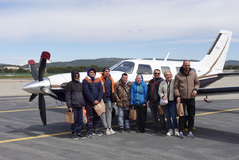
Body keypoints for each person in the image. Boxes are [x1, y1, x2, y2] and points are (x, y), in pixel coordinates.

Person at [174, 60, 200, 139]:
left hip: (191, 98)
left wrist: (195, 89)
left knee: (191, 115)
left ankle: (190, 131)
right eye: (185, 65)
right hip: (182, 99)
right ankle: (181, 131)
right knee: (181, 115)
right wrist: (178, 95)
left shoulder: (193, 74)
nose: (187, 67)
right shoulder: (178, 75)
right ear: (183, 65)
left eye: (188, 65)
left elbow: (197, 83)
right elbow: (175, 87)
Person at [83, 67, 103, 138]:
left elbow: (101, 90)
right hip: (89, 102)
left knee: (97, 116)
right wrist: (93, 100)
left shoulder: (98, 80)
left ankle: (96, 129)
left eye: (93, 72)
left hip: (97, 102)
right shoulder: (85, 80)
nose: (92, 73)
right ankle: (89, 131)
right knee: (89, 116)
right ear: (88, 73)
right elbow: (86, 92)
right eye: (91, 72)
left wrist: (98, 99)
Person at [65, 71, 86, 140]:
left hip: (80, 105)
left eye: (78, 76)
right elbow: (67, 96)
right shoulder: (69, 84)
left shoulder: (80, 84)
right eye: (75, 76)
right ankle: (74, 133)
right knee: (74, 120)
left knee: (80, 120)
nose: (77, 77)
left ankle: (79, 132)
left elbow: (82, 95)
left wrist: (83, 104)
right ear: (73, 76)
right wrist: (69, 106)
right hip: (73, 105)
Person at [159, 70, 179, 136]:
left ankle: (176, 129)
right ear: (164, 76)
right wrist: (163, 96)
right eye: (167, 75)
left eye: (169, 74)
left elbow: (177, 89)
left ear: (171, 75)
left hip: (172, 101)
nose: (168, 76)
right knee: (167, 116)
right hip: (165, 102)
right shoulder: (162, 83)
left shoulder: (175, 82)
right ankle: (170, 129)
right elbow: (159, 91)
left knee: (173, 116)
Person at [147, 69, 167, 134]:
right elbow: (149, 91)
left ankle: (163, 128)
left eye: (158, 73)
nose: (157, 74)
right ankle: (154, 127)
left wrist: (161, 100)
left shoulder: (162, 81)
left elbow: (164, 91)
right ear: (153, 73)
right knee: (154, 116)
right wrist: (148, 99)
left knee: (161, 115)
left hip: (159, 102)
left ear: (160, 74)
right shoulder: (151, 81)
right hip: (151, 102)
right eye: (155, 73)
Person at [99, 67, 116, 135]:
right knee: (103, 114)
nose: (107, 72)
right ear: (103, 72)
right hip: (102, 99)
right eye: (106, 71)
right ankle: (106, 128)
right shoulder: (100, 79)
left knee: (109, 114)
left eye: (108, 71)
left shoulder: (111, 79)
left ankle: (109, 127)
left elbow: (113, 89)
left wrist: (113, 98)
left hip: (109, 99)